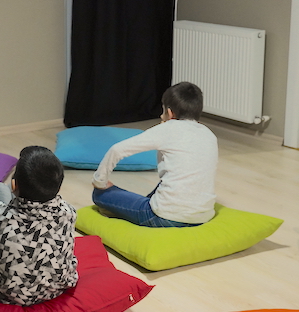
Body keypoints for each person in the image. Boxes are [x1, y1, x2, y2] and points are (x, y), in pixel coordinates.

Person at [91, 82, 218, 227]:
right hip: (203, 216)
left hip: (164, 218)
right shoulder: (209, 135)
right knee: (172, 180)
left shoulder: (168, 128)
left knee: (99, 194)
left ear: (170, 113)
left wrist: (100, 182)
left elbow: (117, 150)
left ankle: (122, 208)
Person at [0, 146, 78, 306]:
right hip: (57, 289)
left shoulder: (0, 217)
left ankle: (8, 195)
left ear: (14, 184)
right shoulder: (69, 211)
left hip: (4, 294)